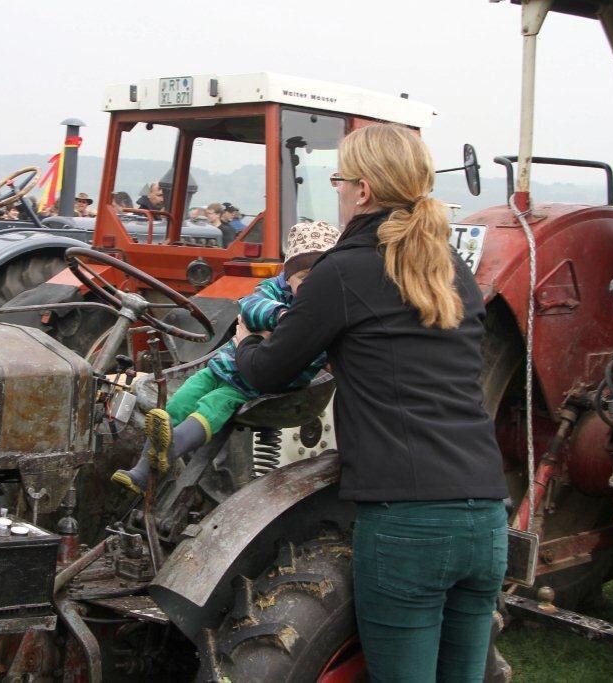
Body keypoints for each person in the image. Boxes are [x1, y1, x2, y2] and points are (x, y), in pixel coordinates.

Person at [233, 124, 508, 682]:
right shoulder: (452, 269)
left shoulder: (342, 270)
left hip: (409, 521)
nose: (335, 189)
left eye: (337, 179)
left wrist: (242, 342)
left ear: (361, 191)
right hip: (486, 513)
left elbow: (269, 371)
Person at [111, 220, 340, 494]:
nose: (310, 284)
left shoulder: (326, 313)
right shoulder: (275, 293)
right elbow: (250, 303)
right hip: (220, 367)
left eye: (318, 277)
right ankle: (140, 472)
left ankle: (170, 451)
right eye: (303, 277)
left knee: (212, 406)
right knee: (176, 404)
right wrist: (281, 316)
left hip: (249, 386)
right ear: (287, 278)